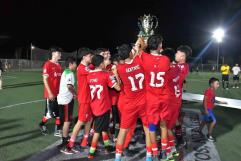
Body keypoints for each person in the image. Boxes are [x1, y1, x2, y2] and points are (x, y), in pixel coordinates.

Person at [114, 44, 152, 161]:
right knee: (148, 130)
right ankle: (149, 157)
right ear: (130, 53)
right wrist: (136, 48)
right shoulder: (139, 61)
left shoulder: (119, 68)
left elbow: (119, 85)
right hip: (144, 102)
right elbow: (138, 52)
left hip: (130, 104)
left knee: (123, 130)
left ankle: (118, 157)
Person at [138, 35, 172, 160]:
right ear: (159, 46)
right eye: (161, 44)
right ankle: (164, 150)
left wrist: (142, 42)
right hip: (164, 97)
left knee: (151, 127)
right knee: (163, 125)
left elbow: (140, 50)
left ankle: (155, 152)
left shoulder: (144, 57)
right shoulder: (166, 60)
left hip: (151, 99)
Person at [87, 55, 120, 159]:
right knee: (97, 131)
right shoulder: (105, 74)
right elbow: (118, 88)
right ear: (101, 63)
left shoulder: (89, 76)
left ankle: (106, 147)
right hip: (103, 106)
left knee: (104, 128)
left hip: (95, 105)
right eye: (105, 60)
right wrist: (115, 74)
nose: (106, 62)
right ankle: (91, 153)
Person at [67, 48, 94, 151]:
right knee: (81, 121)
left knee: (89, 120)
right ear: (84, 57)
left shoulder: (85, 67)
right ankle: (70, 144)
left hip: (89, 98)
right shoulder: (82, 68)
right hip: (84, 99)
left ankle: (84, 141)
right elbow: (93, 69)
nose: (91, 57)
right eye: (90, 56)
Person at [39, 47, 63, 136]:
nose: (60, 54)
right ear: (53, 54)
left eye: (60, 53)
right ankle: (41, 125)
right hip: (51, 94)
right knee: (49, 114)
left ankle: (57, 130)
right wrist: (50, 93)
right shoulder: (48, 64)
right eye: (58, 53)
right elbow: (45, 80)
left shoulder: (59, 65)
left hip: (58, 94)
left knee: (58, 113)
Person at [57, 57, 77, 154]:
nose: (76, 66)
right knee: (67, 121)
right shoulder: (69, 73)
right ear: (71, 64)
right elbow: (69, 86)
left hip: (62, 99)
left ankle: (64, 139)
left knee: (65, 121)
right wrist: (75, 94)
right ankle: (64, 144)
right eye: (75, 64)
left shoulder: (65, 71)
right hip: (66, 100)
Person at [200, 77, 227, 142]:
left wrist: (221, 102)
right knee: (213, 121)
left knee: (205, 121)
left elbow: (213, 100)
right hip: (208, 109)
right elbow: (205, 101)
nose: (218, 85)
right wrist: (206, 110)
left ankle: (199, 130)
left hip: (210, 109)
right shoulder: (208, 91)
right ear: (212, 84)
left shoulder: (213, 92)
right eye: (217, 84)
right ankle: (209, 135)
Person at [174, 45, 191, 146]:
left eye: (177, 53)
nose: (175, 54)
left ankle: (179, 138)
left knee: (174, 119)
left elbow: (179, 79)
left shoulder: (184, 66)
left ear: (182, 56)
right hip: (169, 96)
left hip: (175, 98)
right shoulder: (175, 63)